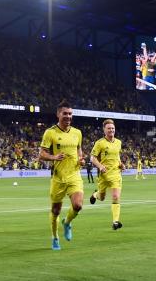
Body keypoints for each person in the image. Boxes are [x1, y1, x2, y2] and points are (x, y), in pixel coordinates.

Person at [39, 101, 85, 251]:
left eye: (70, 114)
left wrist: (81, 159)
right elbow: (42, 154)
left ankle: (67, 222)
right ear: (58, 114)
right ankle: (55, 237)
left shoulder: (77, 132)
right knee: (55, 211)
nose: (68, 116)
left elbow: (79, 150)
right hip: (58, 178)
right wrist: (53, 158)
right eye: (65, 113)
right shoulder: (50, 132)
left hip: (74, 175)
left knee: (78, 205)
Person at [89, 119, 125, 230]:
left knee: (115, 196)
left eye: (113, 128)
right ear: (104, 130)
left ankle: (115, 221)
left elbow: (117, 156)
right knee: (102, 197)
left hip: (116, 173)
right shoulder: (99, 143)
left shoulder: (118, 142)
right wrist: (100, 166)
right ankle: (95, 195)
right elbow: (92, 158)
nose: (111, 130)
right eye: (109, 128)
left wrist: (121, 164)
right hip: (103, 174)